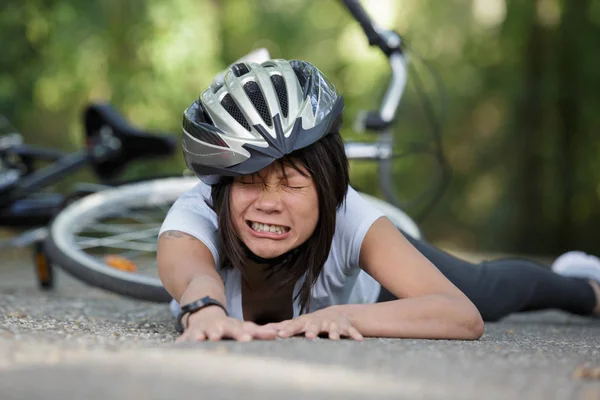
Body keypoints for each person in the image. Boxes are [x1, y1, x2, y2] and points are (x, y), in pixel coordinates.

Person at [157, 59, 600, 342]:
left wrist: (347, 316)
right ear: (223, 186)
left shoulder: (350, 215)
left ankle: (583, 286)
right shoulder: (196, 215)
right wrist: (204, 313)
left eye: (292, 183)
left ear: (328, 186)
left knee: (486, 290)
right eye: (250, 182)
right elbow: (195, 277)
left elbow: (462, 315)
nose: (269, 203)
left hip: (371, 291)